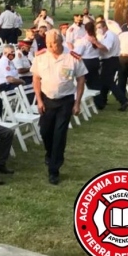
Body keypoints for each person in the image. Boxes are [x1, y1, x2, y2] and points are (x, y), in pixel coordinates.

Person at [31, 29, 87, 185]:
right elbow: (36, 79)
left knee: (59, 135)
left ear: (61, 42)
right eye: (47, 43)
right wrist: (39, 101)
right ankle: (50, 154)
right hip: (47, 100)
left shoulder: (72, 57)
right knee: (45, 131)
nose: (50, 46)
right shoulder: (41, 56)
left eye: (53, 43)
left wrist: (77, 103)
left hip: (65, 101)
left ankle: (54, 170)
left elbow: (81, 80)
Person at [94, 20, 123, 110]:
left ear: (105, 27)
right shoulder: (106, 36)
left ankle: (123, 100)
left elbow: (106, 48)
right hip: (109, 60)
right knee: (104, 81)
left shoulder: (109, 35)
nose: (98, 30)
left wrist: (95, 42)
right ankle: (103, 100)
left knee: (109, 82)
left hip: (110, 60)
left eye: (99, 28)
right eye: (97, 28)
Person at [71, 21, 102, 91]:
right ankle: (99, 100)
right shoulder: (96, 39)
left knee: (85, 82)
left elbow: (76, 53)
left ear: (85, 30)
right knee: (95, 81)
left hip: (87, 62)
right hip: (96, 61)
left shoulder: (84, 40)